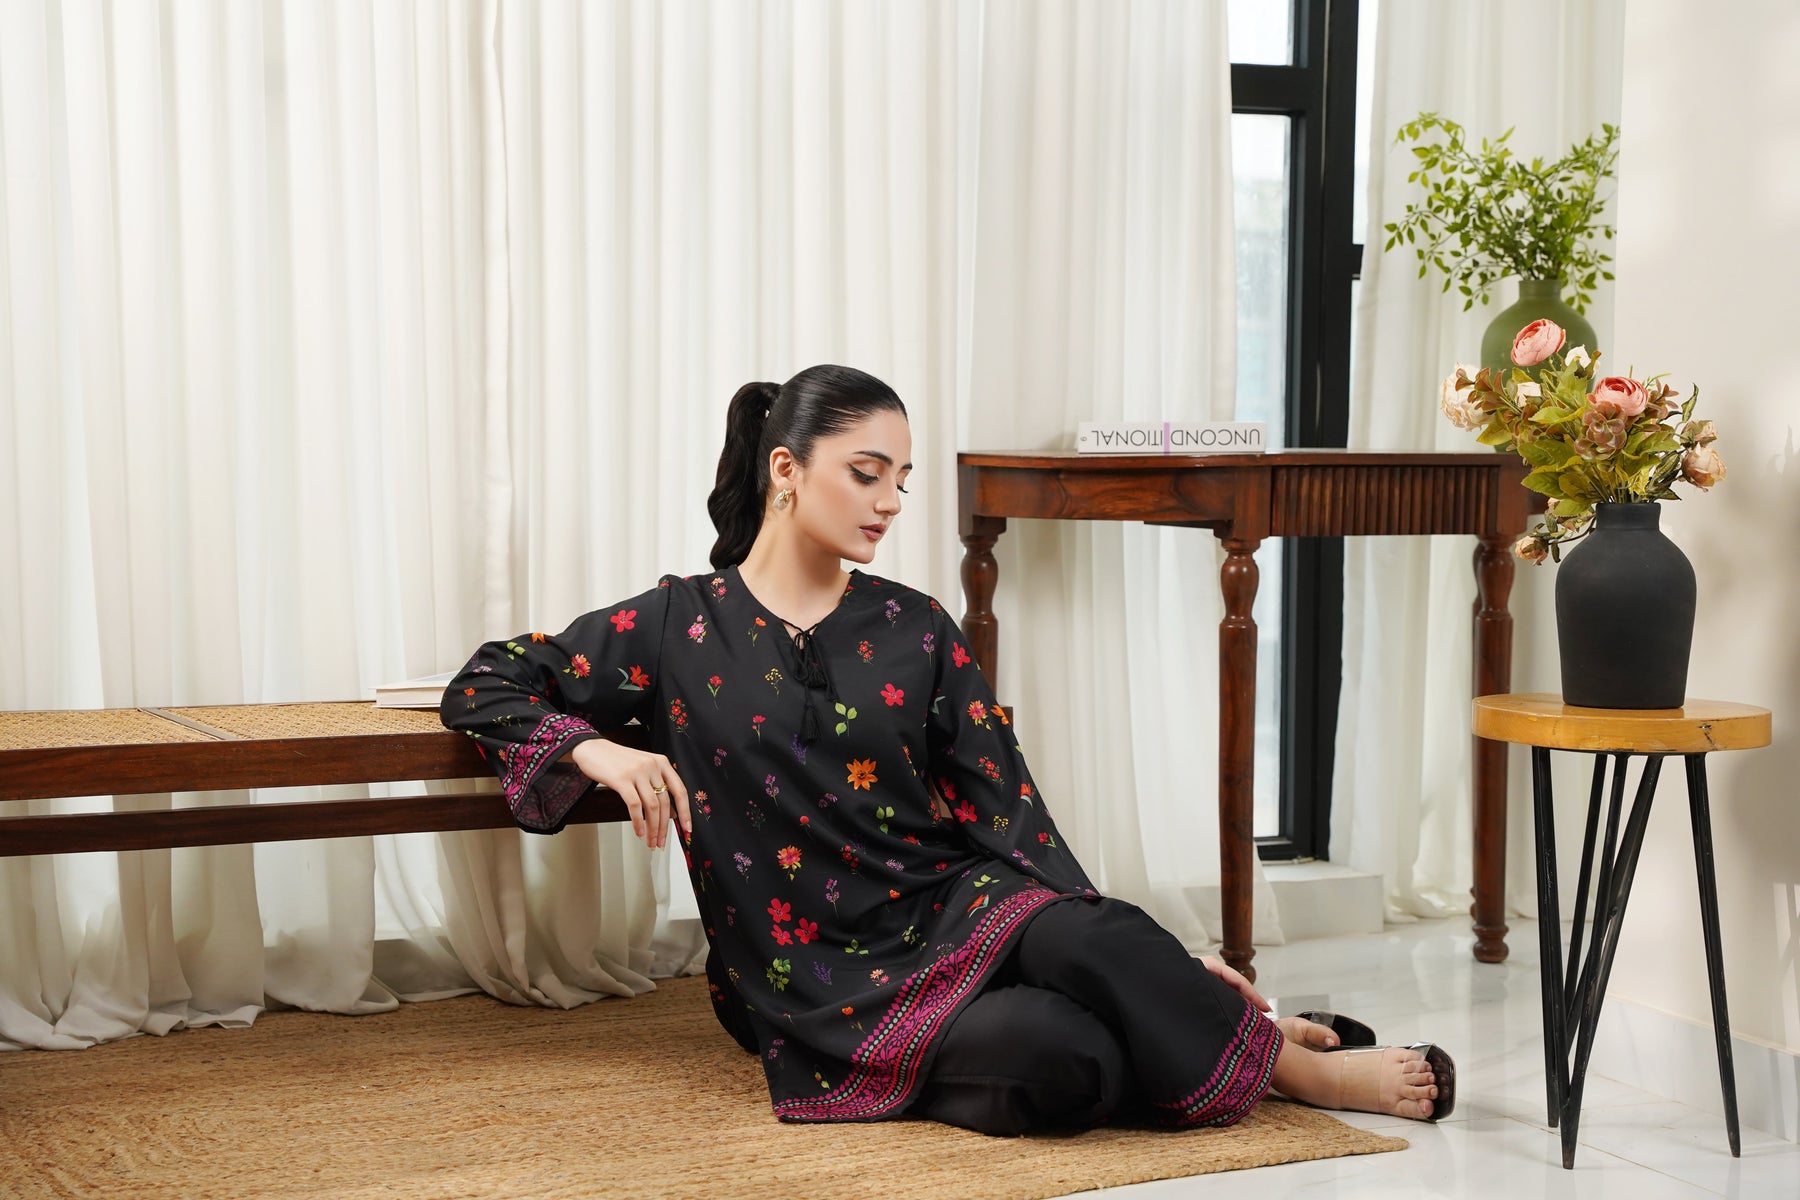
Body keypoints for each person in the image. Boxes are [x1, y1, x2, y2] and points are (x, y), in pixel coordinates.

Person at [441, 364, 1452, 1134]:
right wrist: (596, 751)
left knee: (1092, 939)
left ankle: (1294, 1071)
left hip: (953, 908)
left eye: (902, 480)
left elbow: (1009, 812)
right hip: (810, 981)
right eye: (866, 474)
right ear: (785, 470)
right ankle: (1210, 1039)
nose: (890, 501)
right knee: (1068, 1064)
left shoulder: (915, 625)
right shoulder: (675, 625)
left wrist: (1134, 950)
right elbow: (487, 682)